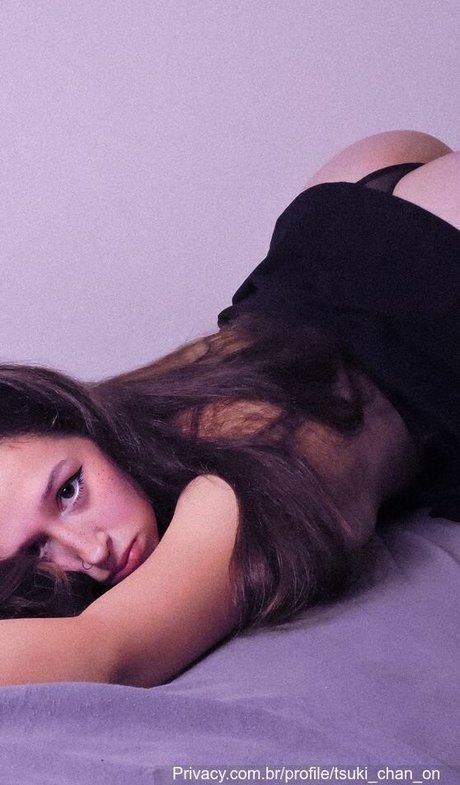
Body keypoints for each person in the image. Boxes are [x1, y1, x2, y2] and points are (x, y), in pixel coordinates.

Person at [0, 130, 458, 688]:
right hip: (326, 232)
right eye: (36, 551)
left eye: (70, 491)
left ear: (75, 420)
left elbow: (108, 648)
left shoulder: (228, 492)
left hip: (426, 269)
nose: (92, 551)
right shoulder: (158, 404)